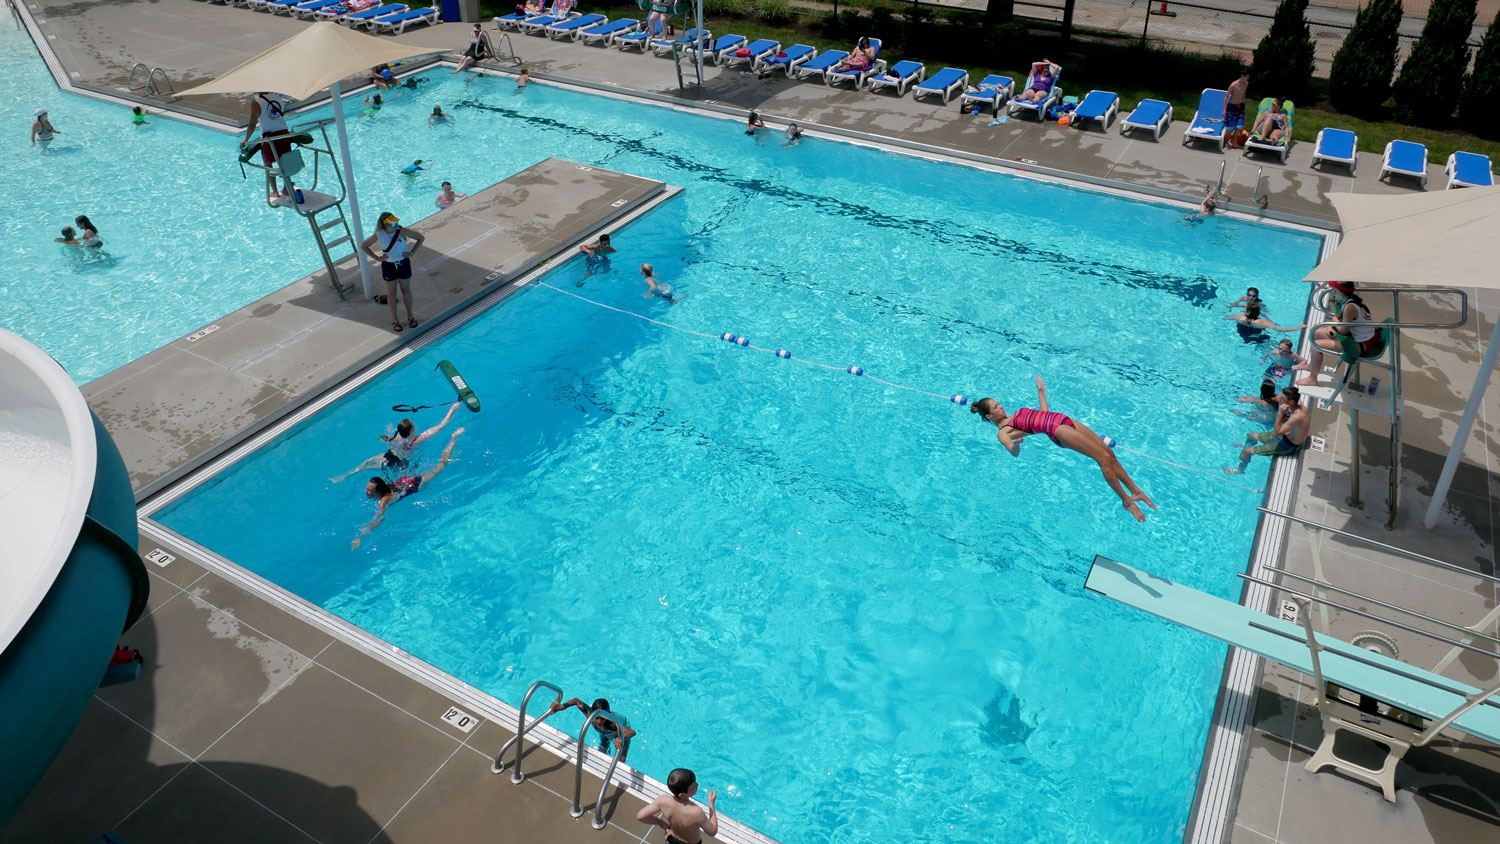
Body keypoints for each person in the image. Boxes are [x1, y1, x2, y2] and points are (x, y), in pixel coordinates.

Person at [970, 376, 1156, 522]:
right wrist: (1015, 446)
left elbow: (1043, 415)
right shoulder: (1003, 432)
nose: (1001, 406)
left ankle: (1135, 490)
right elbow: (1012, 451)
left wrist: (1041, 392)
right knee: (1102, 458)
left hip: (1061, 419)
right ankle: (1126, 500)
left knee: (1109, 453)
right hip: (1058, 430)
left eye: (998, 403)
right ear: (989, 416)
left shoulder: (1014, 415)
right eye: (996, 407)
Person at [352, 427, 465, 549]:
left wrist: (360, 537)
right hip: (403, 481)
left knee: (441, 466)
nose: (366, 492)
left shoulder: (383, 500)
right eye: (367, 489)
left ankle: (453, 439)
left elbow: (378, 520)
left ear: (378, 491)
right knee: (436, 467)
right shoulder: (384, 490)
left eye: (370, 490)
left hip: (415, 485)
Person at [332, 402, 462, 482]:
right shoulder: (418, 440)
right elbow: (441, 425)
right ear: (412, 430)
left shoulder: (396, 437)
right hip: (402, 463)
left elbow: (384, 438)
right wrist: (452, 409)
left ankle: (345, 476)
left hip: (389, 456)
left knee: (366, 464)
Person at [1296, 281, 1378, 387]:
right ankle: (1311, 366)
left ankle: (1312, 379)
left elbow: (1343, 330)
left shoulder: (1350, 307)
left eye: (1333, 289)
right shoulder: (1351, 300)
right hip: (1356, 337)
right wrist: (1332, 326)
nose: (1332, 291)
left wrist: (1334, 322)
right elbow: (1340, 318)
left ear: (1338, 291)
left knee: (1315, 346)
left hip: (1359, 345)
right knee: (1315, 333)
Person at [361, 212, 426, 332]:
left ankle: (410, 316)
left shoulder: (402, 231)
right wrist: (377, 258)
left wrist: (412, 253)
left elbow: (420, 238)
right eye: (393, 223)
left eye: (396, 222)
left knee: (406, 290)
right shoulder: (379, 234)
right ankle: (395, 320)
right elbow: (364, 246)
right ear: (385, 224)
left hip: (403, 263)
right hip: (388, 265)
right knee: (391, 294)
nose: (396, 225)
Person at [1225, 386, 1307, 474]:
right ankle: (1249, 448)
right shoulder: (1297, 404)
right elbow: (1276, 397)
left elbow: (1277, 433)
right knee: (1250, 435)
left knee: (1245, 451)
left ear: (1291, 402)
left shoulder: (1296, 417)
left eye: (1282, 398)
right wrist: (1257, 399)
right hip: (1284, 436)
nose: (1280, 399)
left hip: (1287, 446)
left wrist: (1280, 413)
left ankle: (1239, 470)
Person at [636, 768, 718, 844]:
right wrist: (711, 804)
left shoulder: (663, 801)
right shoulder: (696, 812)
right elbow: (712, 831)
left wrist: (662, 824)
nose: (697, 785)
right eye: (693, 786)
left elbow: (640, 816)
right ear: (682, 795)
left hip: (672, 840)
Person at [241, 92, 293, 204]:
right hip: (284, 133)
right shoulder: (278, 98)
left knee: (268, 165)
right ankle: (286, 188)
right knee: (285, 162)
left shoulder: (256, 103)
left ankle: (275, 191)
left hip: (269, 137)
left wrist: (246, 139)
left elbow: (252, 124)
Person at [548, 697, 637, 759]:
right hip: (605, 733)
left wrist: (620, 738)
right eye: (597, 718)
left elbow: (632, 732)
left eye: (603, 718)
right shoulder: (589, 714)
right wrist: (562, 706)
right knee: (602, 751)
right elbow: (576, 701)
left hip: (620, 731)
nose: (599, 722)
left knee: (622, 757)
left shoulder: (612, 724)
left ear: (607, 717)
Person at [1224, 302, 1302, 338]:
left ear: (1248, 312)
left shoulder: (1239, 317)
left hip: (1245, 337)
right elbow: (1280, 329)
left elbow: (1225, 318)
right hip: (1259, 336)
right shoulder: (1262, 322)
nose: (1243, 310)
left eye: (1244, 308)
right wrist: (1298, 327)